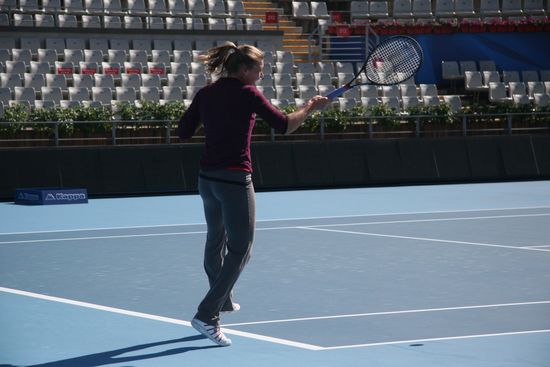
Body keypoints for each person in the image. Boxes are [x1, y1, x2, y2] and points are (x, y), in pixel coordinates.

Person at [178, 42, 329, 347]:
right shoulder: (247, 93)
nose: (263, 73)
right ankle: (207, 314)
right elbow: (284, 125)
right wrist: (310, 107)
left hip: (206, 180)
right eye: (260, 68)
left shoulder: (206, 93)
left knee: (215, 240)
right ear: (244, 69)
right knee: (241, 250)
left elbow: (183, 131)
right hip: (234, 181)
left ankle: (221, 300)